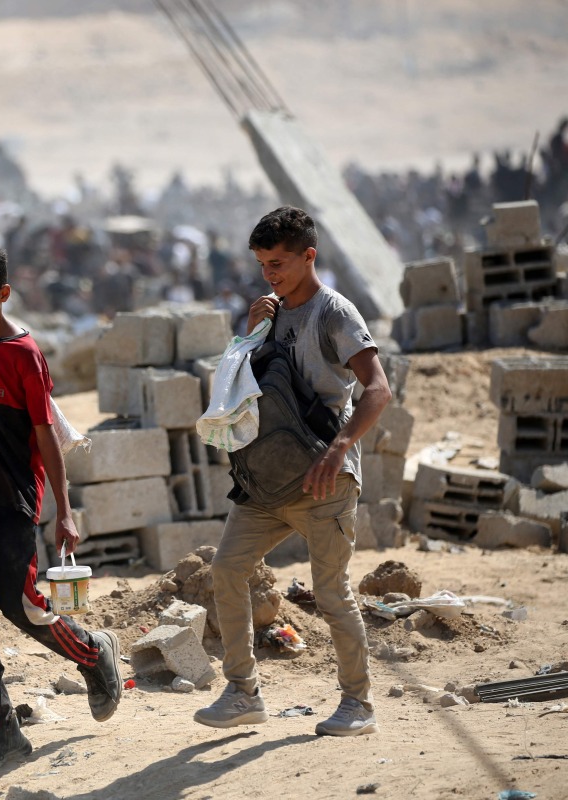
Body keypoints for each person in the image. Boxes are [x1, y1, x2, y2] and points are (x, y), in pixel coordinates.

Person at [193, 207, 392, 737]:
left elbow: (378, 389)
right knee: (227, 569)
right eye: (262, 264)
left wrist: (341, 446)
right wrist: (253, 331)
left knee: (331, 593)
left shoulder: (336, 313)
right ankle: (242, 692)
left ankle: (359, 704)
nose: (270, 274)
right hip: (266, 479)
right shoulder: (271, 310)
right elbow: (243, 384)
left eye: (278, 263)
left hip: (324, 478)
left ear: (309, 256)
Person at [0, 241, 122, 779]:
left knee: (20, 603)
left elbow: (46, 434)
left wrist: (65, 510)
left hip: (14, 497)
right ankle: (1, 730)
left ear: (4, 295)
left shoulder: (24, 354)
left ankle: (92, 653)